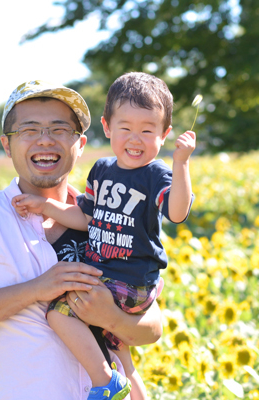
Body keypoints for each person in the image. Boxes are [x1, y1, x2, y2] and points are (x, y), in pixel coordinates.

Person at [0, 80, 163, 400]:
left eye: (60, 129)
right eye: (29, 130)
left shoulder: (111, 217)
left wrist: (110, 317)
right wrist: (38, 289)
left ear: (80, 144)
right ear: (7, 145)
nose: (45, 140)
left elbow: (152, 327)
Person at [11, 72, 196, 400]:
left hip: (129, 279)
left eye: (147, 130)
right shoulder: (102, 170)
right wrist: (46, 206)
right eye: (125, 128)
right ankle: (129, 387)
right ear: (107, 127)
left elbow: (178, 212)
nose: (135, 139)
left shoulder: (156, 174)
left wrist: (180, 164)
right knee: (118, 349)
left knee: (59, 313)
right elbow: (85, 218)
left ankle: (104, 382)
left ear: (164, 134)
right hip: (109, 277)